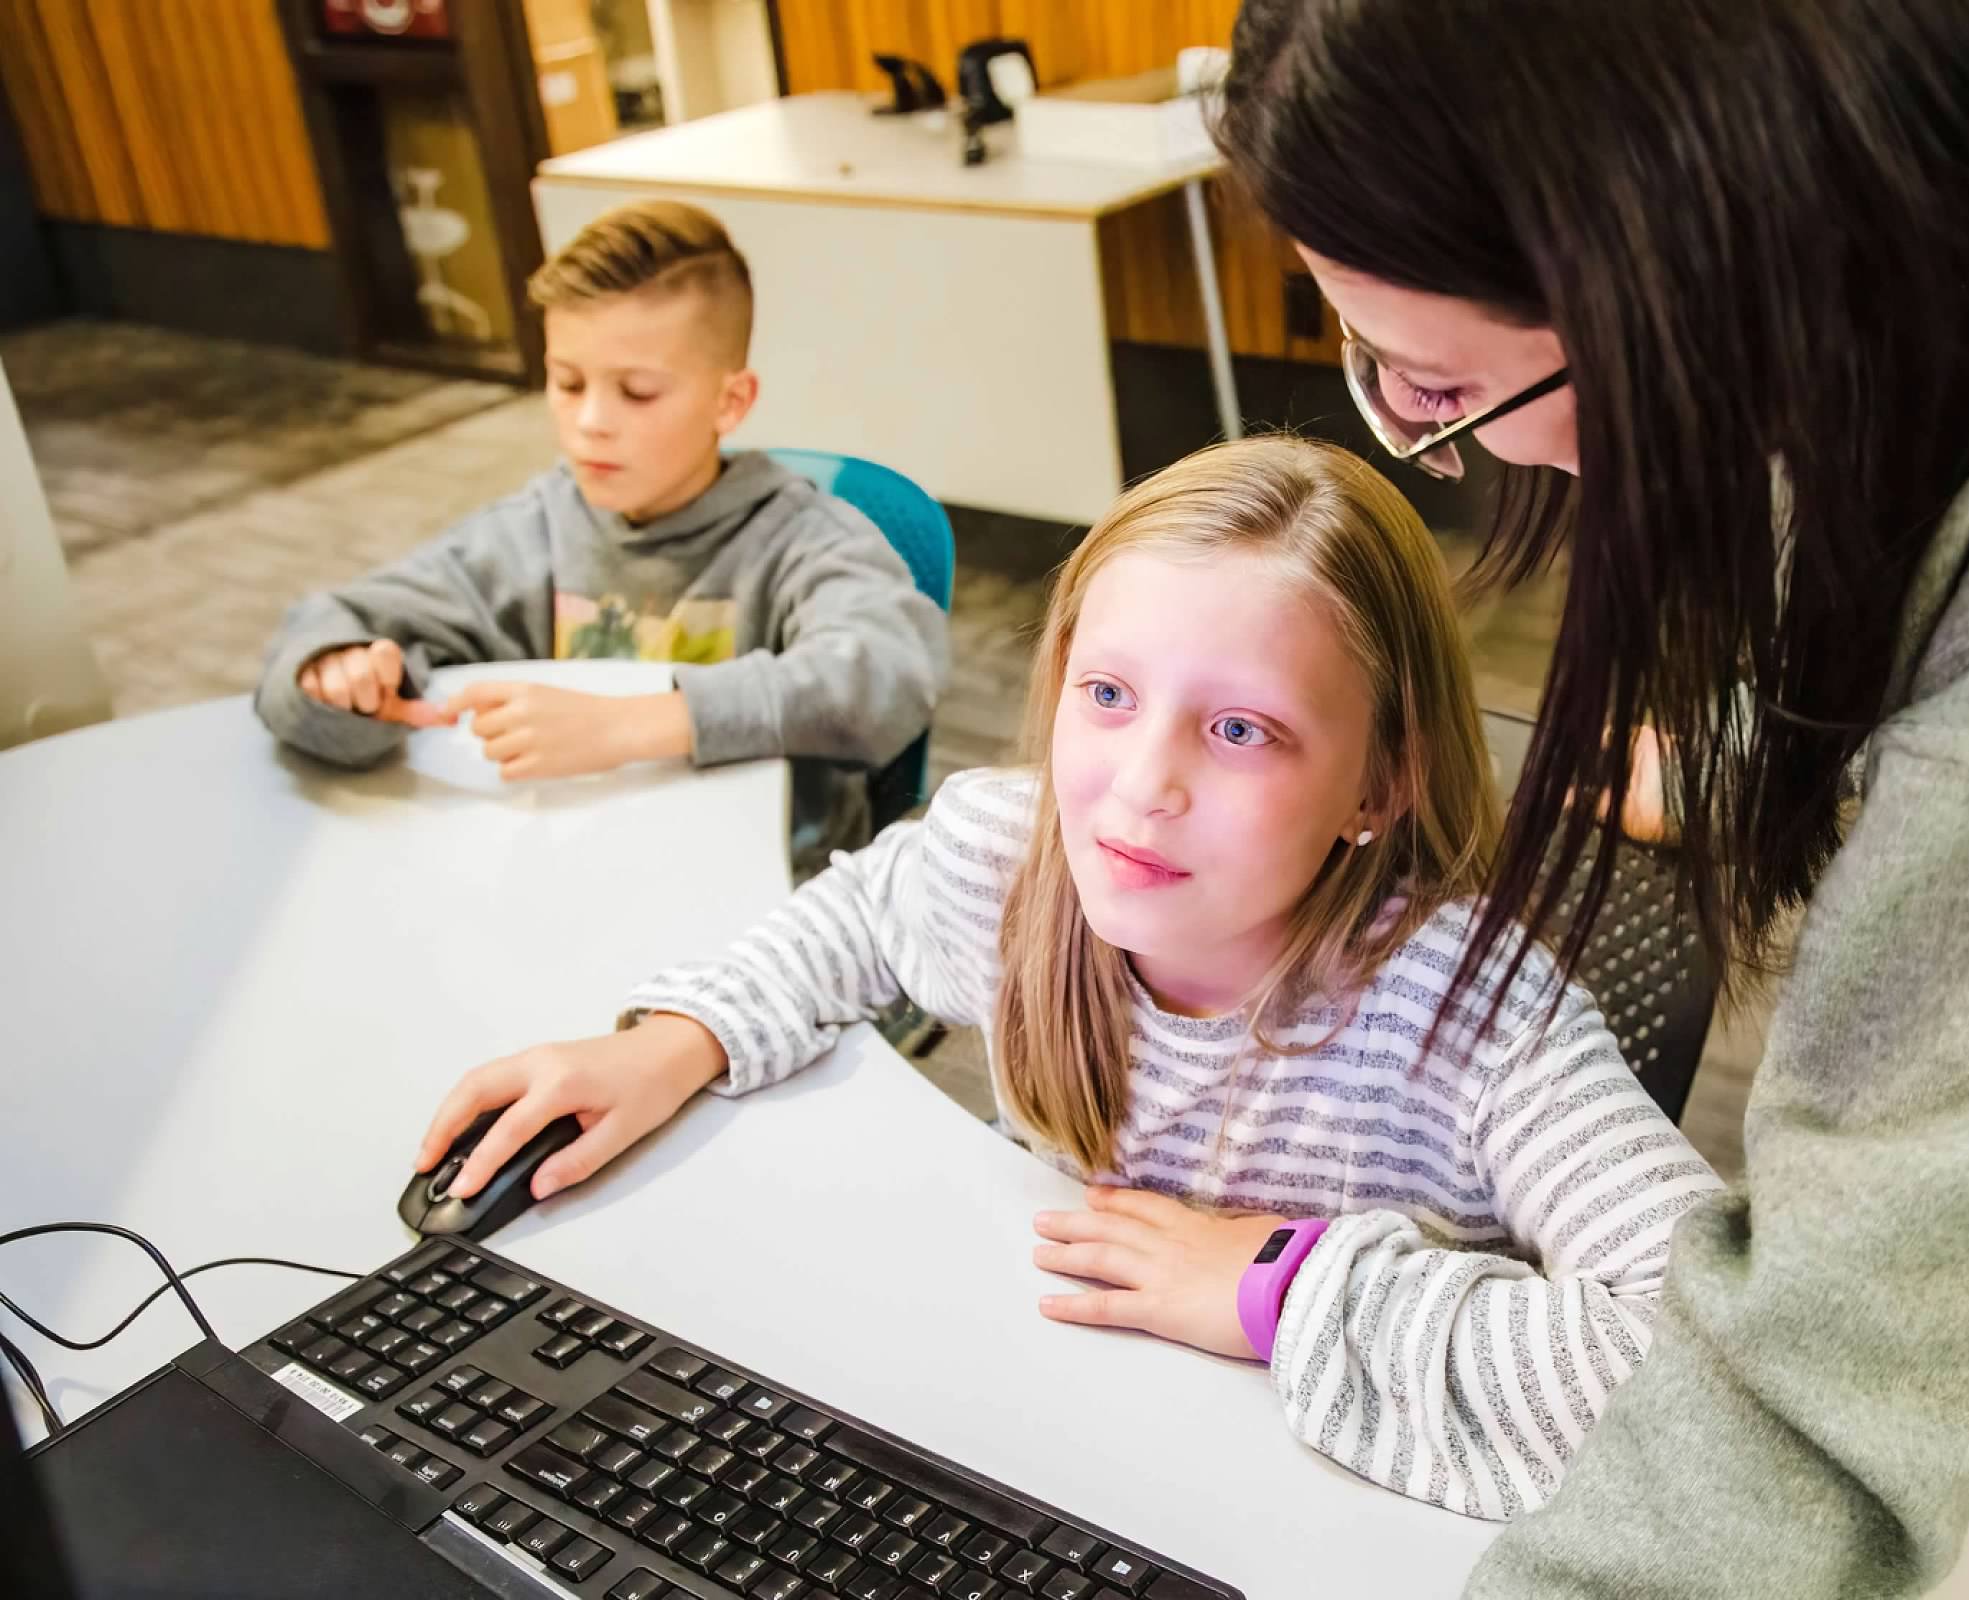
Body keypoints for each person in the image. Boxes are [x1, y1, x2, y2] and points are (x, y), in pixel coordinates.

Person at [1212, 2, 1969, 1597]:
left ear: (1684, 262)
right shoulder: (1901, 259)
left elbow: (1831, 1380)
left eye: (1438, 391)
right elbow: (1941, 622)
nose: (1433, 441)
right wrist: (1725, 756)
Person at [415, 437, 1724, 1516]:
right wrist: (679, 1035)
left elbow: (1721, 1372)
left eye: (1239, 728)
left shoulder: (1477, 1015)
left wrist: (1277, 1286)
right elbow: (865, 914)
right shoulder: (1013, 860)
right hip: (1041, 1456)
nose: (1140, 788)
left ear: (1380, 785)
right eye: (1107, 694)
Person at [255, 199, 945, 854]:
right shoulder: (532, 531)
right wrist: (337, 675)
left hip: (760, 906)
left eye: (637, 391)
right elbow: (324, 632)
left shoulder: (806, 539)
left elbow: (888, 678)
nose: (590, 423)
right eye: (567, 382)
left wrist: (628, 724)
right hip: (571, 865)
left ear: (730, 402)